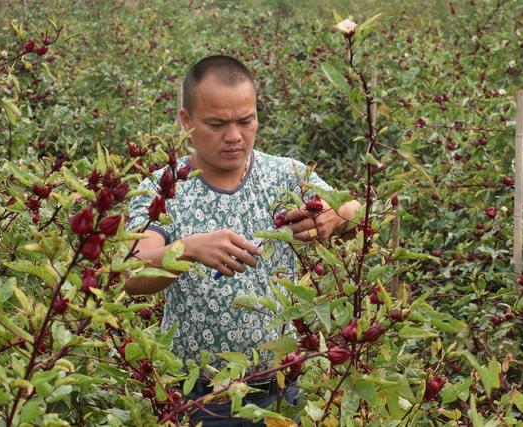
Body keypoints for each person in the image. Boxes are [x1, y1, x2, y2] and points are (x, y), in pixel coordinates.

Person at [125, 55, 361, 426]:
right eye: (217, 124)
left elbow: (354, 208)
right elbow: (133, 271)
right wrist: (187, 249)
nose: (235, 136)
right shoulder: (164, 187)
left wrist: (337, 216)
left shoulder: (287, 176)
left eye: (245, 121)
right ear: (186, 121)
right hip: (202, 400)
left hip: (285, 392)